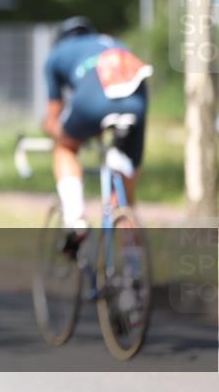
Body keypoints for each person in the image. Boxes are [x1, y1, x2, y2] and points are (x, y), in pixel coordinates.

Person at [42, 17, 152, 250]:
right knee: (124, 194)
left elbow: (54, 114)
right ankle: (133, 263)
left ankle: (76, 220)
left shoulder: (57, 53)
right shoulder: (114, 42)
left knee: (65, 148)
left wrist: (55, 131)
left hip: (92, 99)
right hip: (138, 100)